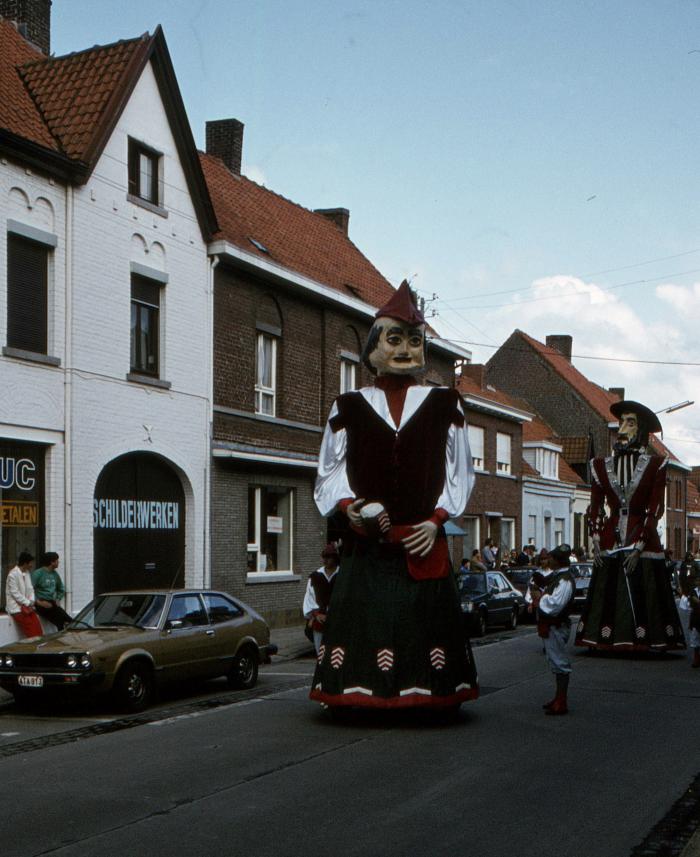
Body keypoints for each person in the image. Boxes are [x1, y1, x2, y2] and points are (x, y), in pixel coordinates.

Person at [310, 281, 478, 710]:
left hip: (422, 541)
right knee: (369, 624)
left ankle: (430, 691)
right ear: (372, 349)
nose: (406, 348)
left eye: (415, 340)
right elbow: (329, 472)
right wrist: (353, 507)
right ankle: (356, 692)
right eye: (395, 338)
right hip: (367, 549)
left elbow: (459, 471)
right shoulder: (347, 405)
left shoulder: (445, 403)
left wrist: (437, 519)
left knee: (421, 626)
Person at [574, 401, 685, 651]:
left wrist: (639, 545)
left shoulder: (657, 464)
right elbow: (595, 506)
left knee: (643, 582)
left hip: (640, 532)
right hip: (611, 534)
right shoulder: (600, 465)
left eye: (630, 422)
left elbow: (655, 508)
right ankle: (603, 637)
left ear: (641, 430)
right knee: (608, 584)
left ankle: (648, 637)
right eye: (622, 421)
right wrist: (595, 537)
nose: (623, 428)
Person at [529, 543, 575, 715]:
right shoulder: (559, 577)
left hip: (556, 626)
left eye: (551, 558)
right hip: (552, 626)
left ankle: (561, 702)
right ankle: (558, 698)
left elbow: (554, 605)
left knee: (560, 663)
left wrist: (539, 599)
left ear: (557, 561)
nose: (549, 561)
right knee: (555, 662)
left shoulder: (564, 581)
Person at [303, 544, 340, 654]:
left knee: (335, 653)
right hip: (320, 620)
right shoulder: (315, 577)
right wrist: (316, 614)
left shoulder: (342, 576)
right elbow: (309, 597)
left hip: (337, 621)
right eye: (324, 557)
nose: (325, 560)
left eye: (328, 557)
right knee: (321, 653)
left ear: (335, 558)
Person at [5, 551, 43, 638]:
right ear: (25, 563)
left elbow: (30, 589)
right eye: (30, 563)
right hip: (17, 609)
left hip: (27, 607)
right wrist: (28, 602)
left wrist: (31, 600)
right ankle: (33, 649)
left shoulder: (26, 573)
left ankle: (39, 648)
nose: (31, 565)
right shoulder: (12, 574)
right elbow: (15, 593)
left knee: (38, 628)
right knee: (32, 632)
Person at [31, 551, 72, 631]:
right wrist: (38, 601)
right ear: (51, 562)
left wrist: (58, 598)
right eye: (57, 560)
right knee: (60, 621)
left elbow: (61, 589)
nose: (58, 562)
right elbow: (29, 590)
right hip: (41, 603)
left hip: (52, 602)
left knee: (69, 620)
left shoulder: (54, 574)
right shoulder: (38, 573)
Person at [689, 576, 700, 668]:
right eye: (697, 580)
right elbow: (689, 603)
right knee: (695, 637)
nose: (698, 582)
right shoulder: (693, 591)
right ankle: (696, 658)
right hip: (696, 617)